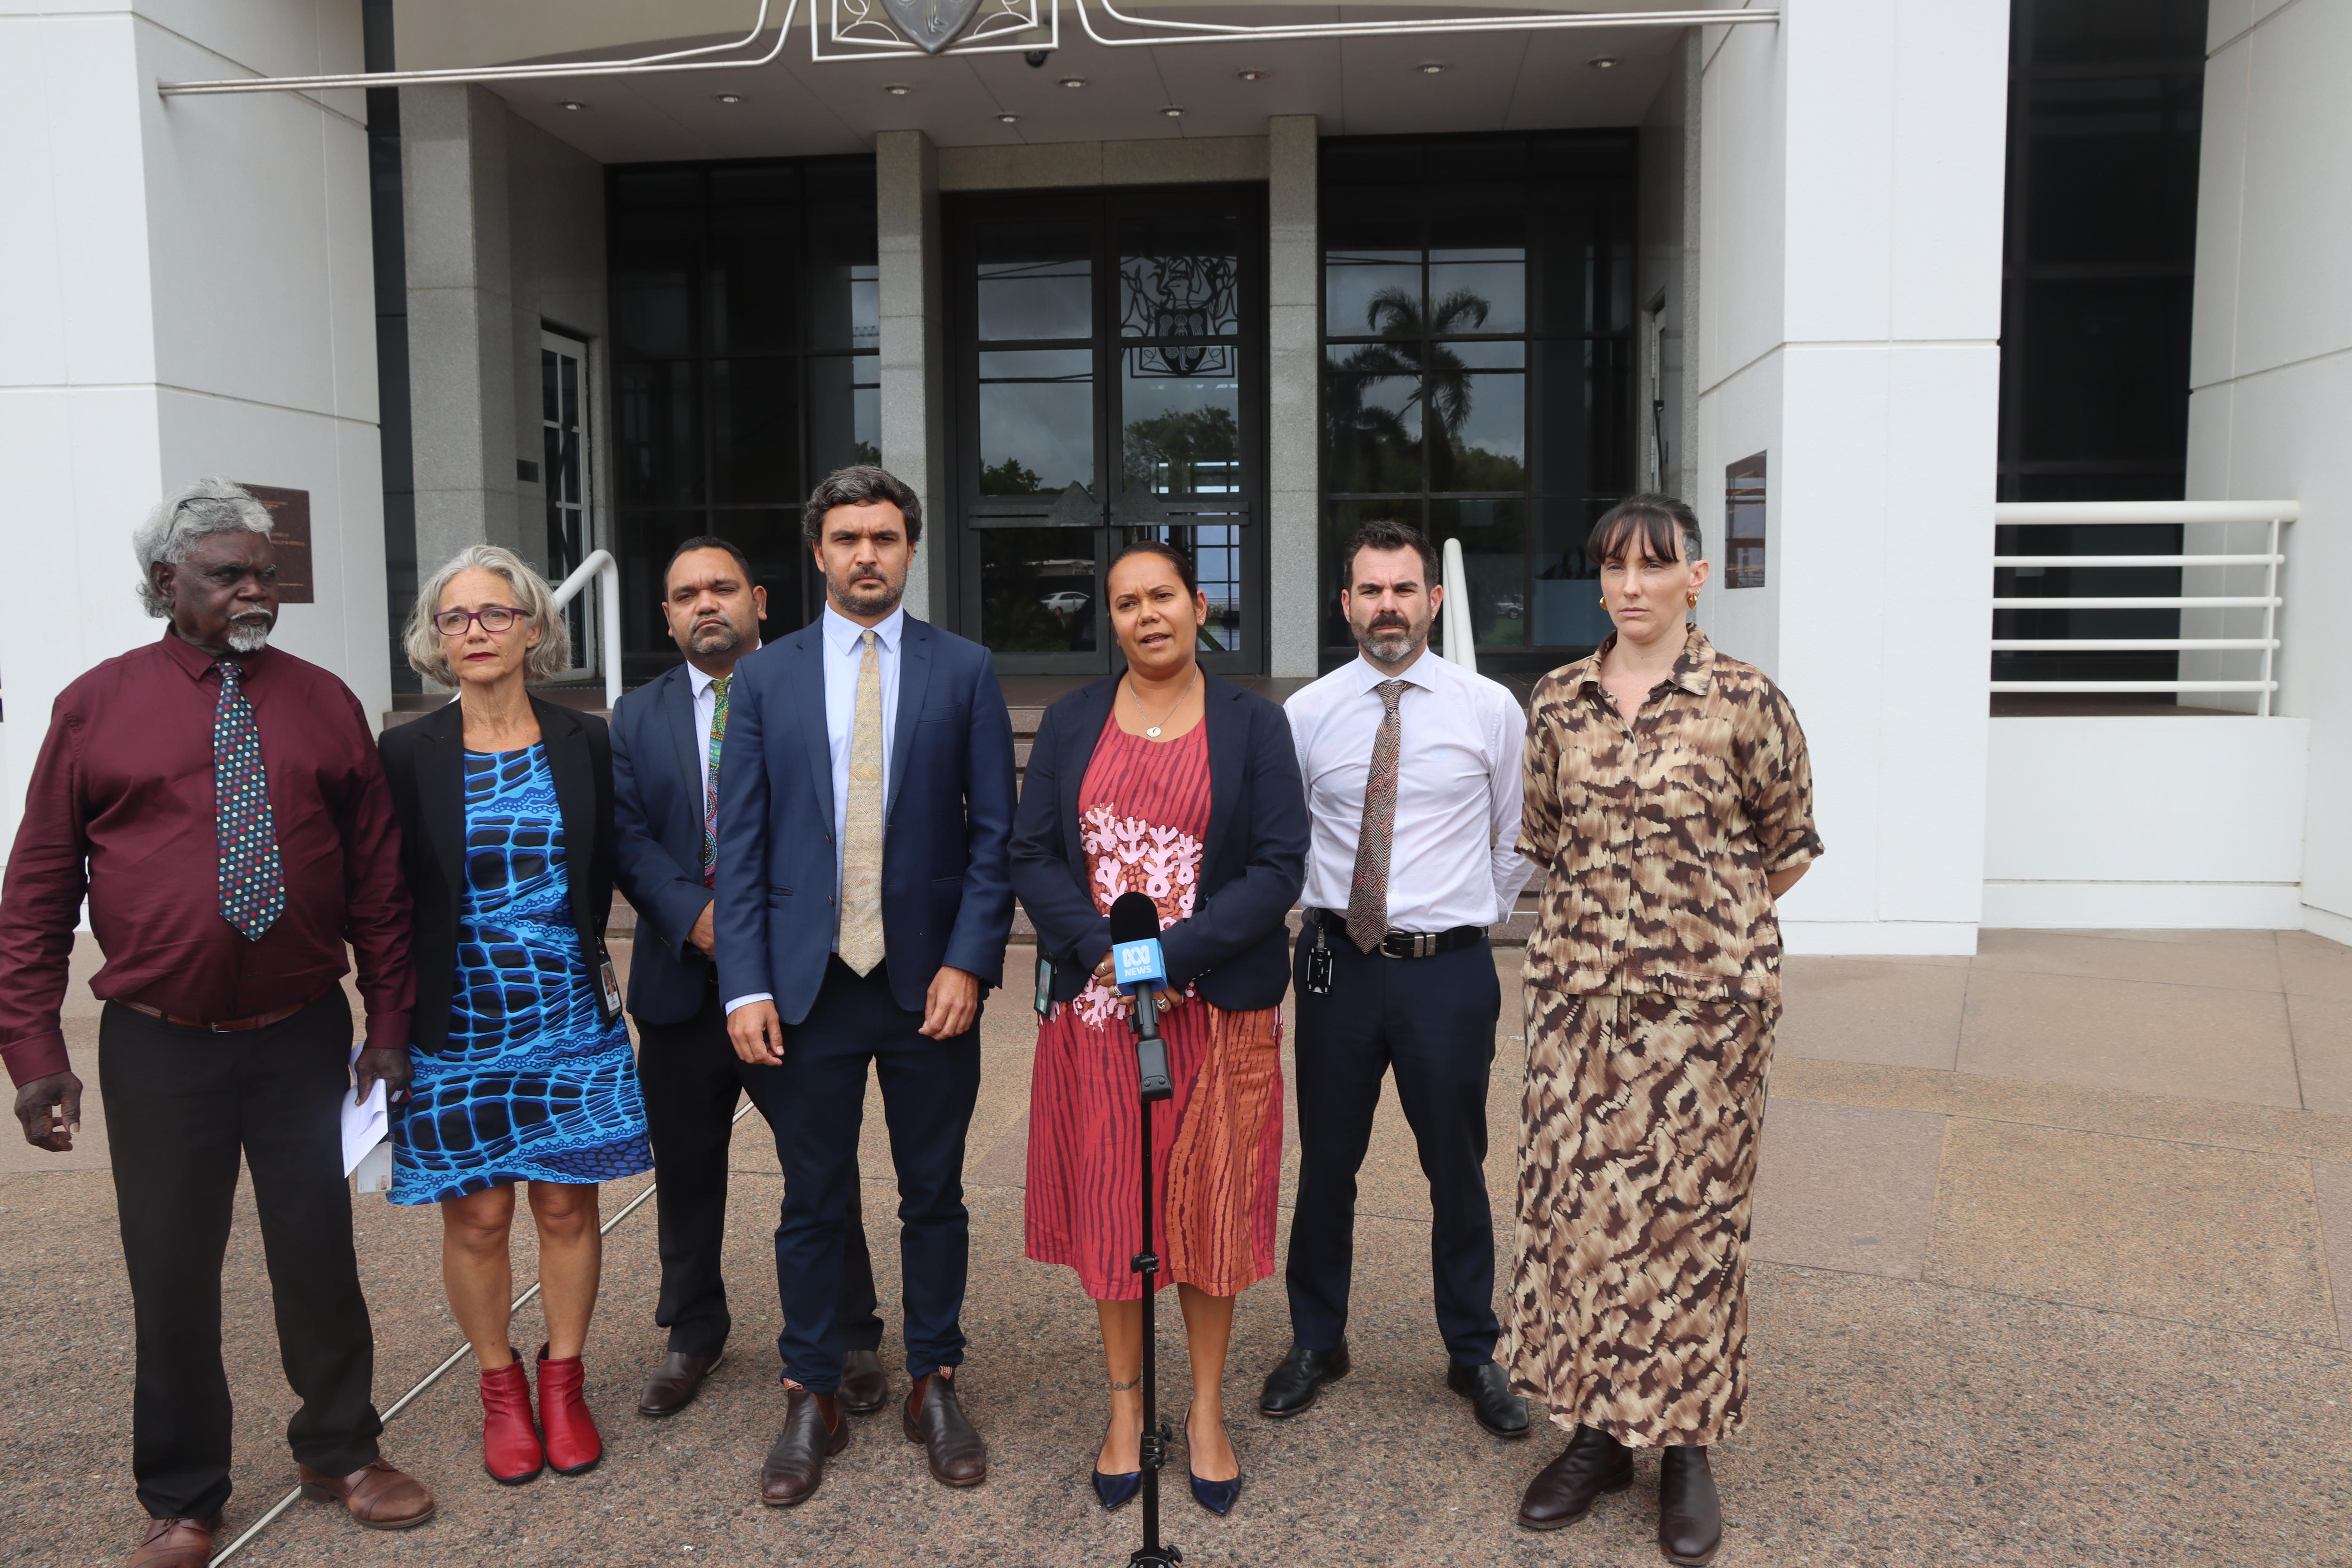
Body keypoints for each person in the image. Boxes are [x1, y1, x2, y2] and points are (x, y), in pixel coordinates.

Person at [0, 479, 435, 1567]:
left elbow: (380, 879)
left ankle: (339, 1448)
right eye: (227, 573)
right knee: (172, 1268)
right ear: (166, 583)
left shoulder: (325, 699)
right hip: (158, 1042)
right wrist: (35, 1051)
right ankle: (185, 1493)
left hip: (298, 1033)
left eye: (264, 571)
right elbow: (40, 889)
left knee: (317, 1252)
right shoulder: (96, 705)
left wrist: (388, 1019)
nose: (255, 590)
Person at [1502, 493, 1822, 1567]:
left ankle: (1684, 1445)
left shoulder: (1746, 703)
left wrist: (1697, 933)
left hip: (1704, 1025)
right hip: (1581, 1014)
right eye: (1612, 567)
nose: (1630, 585)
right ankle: (1596, 1433)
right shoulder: (1558, 702)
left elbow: (1786, 848)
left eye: (1654, 565)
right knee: (1583, 1220)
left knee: (1688, 1231)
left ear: (1696, 577)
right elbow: (1547, 841)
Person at [714, 466, 1016, 1508]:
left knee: (933, 1194)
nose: (865, 554)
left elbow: (994, 838)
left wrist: (971, 960)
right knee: (810, 1200)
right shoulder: (767, 677)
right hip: (804, 988)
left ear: (910, 548)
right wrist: (742, 983)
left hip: (927, 981)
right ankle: (813, 1389)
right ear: (817, 552)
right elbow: (741, 847)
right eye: (846, 537)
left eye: (884, 536)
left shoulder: (966, 668)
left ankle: (934, 1377)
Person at [1012, 540, 1307, 1517]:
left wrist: (1167, 959)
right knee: (1114, 1208)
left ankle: (1209, 1409)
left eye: (1164, 596)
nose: (1147, 615)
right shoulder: (1068, 721)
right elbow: (1033, 854)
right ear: (1113, 617)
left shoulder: (1253, 725)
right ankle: (1125, 1407)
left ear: (1199, 602)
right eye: (1127, 602)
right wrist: (1110, 953)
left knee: (1210, 1212)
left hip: (1214, 1010)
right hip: (1098, 1015)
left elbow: (1277, 868)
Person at [376, 545, 652, 1488]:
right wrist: (383, 1020)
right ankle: (500, 1385)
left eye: (496, 614)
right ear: (434, 638)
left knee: (568, 1201)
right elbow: (387, 893)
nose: (476, 632)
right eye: (456, 618)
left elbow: (617, 861)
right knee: (483, 1216)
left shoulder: (587, 739)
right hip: (456, 1019)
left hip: (568, 1012)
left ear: (534, 628)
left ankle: (564, 1380)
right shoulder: (406, 750)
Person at [1262, 517, 1534, 1441]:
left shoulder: (1489, 708)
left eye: (1403, 588)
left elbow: (1514, 836)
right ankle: (1316, 1339)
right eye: (1370, 590)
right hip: (1338, 964)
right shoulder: (1306, 713)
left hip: (1447, 975)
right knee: (1327, 1164)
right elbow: (1285, 836)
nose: (1387, 605)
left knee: (1455, 1168)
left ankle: (1471, 1350)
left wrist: (1461, 916)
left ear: (1434, 599)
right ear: (1346, 604)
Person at [609, 534, 891, 1419]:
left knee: (821, 1162)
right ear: (666, 615)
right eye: (687, 592)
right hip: (680, 982)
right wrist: (700, 920)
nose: (707, 604)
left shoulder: (816, 693)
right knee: (687, 1169)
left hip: (795, 983)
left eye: (723, 587)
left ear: (760, 599)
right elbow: (626, 838)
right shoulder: (634, 715)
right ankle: (692, 1329)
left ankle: (851, 1331)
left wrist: (756, 937)